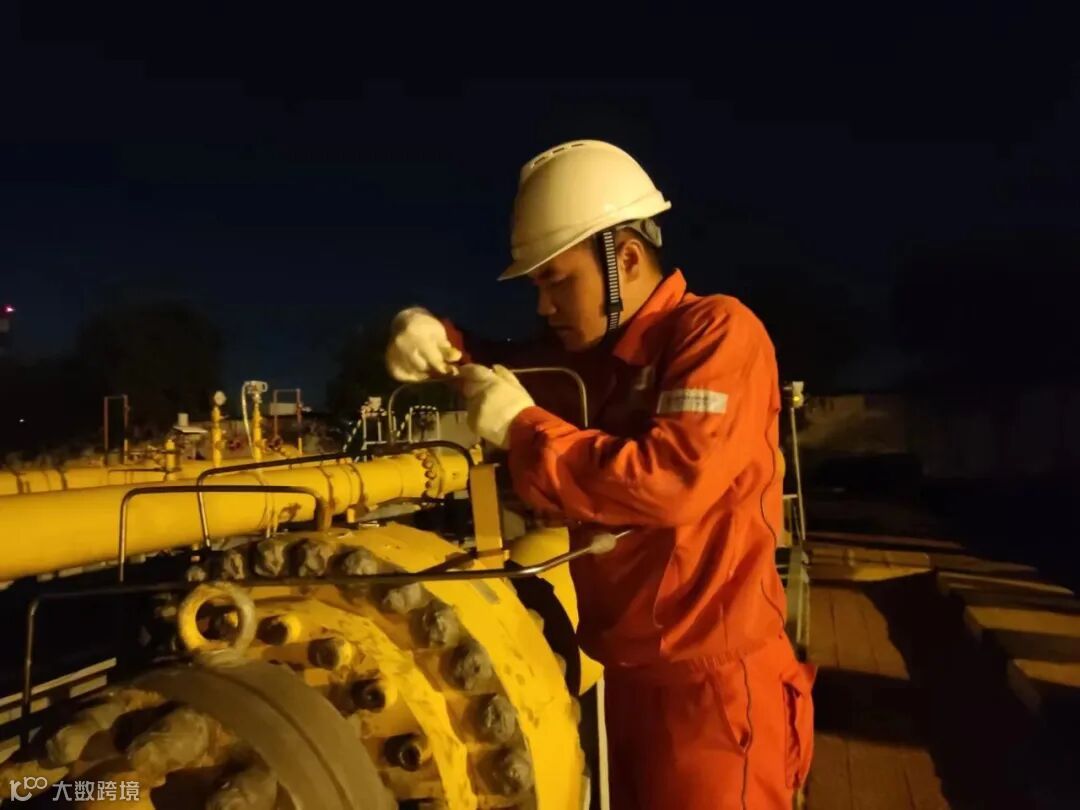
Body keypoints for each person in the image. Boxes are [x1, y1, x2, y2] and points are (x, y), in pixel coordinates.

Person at [384, 140, 815, 810]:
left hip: (714, 690)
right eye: (537, 287)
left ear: (627, 260)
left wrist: (523, 428)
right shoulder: (589, 360)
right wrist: (435, 338)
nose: (544, 306)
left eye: (558, 281)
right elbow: (500, 365)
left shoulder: (716, 334)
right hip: (626, 679)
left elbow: (672, 479)